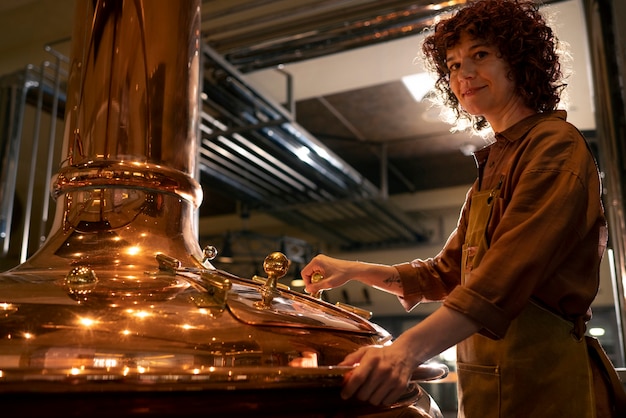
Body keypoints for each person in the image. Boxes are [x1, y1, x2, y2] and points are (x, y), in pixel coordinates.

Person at [301, 1, 612, 417]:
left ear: (520, 61)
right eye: (452, 64)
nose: (463, 75)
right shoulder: (494, 164)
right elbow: (444, 274)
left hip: (544, 386)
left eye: (480, 55)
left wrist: (403, 352)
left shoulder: (554, 146)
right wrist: (354, 269)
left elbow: (504, 277)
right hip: (486, 389)